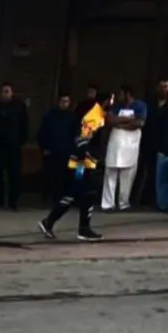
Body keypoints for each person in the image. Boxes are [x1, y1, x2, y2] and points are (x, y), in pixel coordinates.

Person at [38, 97, 106, 242]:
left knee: (78, 194)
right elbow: (82, 143)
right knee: (80, 192)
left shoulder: (95, 118)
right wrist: (82, 166)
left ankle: (57, 223)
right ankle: (79, 228)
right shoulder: (89, 120)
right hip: (81, 163)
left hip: (84, 161)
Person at [101, 85, 147, 212]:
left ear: (127, 94)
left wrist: (119, 123)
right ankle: (108, 204)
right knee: (110, 172)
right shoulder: (116, 106)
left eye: (120, 93)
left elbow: (139, 123)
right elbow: (109, 119)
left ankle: (123, 203)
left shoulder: (140, 106)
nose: (118, 96)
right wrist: (128, 119)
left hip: (130, 144)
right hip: (115, 143)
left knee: (127, 175)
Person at [0, 82, 29, 210]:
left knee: (14, 175)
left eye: (7, 91)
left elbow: (24, 125)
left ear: (12, 93)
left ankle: (13, 202)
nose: (5, 94)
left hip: (13, 146)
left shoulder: (19, 107)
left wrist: (20, 141)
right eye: (3, 91)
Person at [36, 92, 77, 206]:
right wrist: (44, 148)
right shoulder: (50, 116)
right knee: (49, 175)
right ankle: (46, 197)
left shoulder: (71, 117)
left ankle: (60, 198)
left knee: (63, 176)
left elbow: (75, 135)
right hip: (51, 151)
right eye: (63, 101)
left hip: (65, 152)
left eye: (67, 102)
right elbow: (43, 133)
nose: (65, 104)